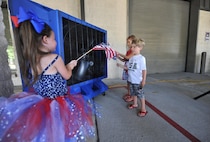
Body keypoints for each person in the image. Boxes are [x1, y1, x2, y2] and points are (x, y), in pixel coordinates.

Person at [0, 7, 95, 142]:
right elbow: (67, 75)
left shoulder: (31, 60)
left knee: (44, 132)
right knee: (61, 130)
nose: (56, 42)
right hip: (58, 102)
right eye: (54, 38)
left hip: (39, 102)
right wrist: (70, 66)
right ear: (45, 39)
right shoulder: (55, 58)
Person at [117, 38, 148, 117]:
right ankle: (135, 104)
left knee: (140, 95)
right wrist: (121, 66)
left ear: (140, 48)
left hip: (137, 81)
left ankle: (143, 109)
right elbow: (129, 68)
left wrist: (143, 80)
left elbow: (144, 70)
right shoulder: (131, 58)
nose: (132, 48)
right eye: (132, 47)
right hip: (131, 79)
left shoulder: (141, 58)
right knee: (133, 93)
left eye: (134, 47)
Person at [117, 35, 136, 102]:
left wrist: (119, 53)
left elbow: (127, 57)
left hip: (131, 70)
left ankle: (132, 96)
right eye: (127, 42)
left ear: (133, 43)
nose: (127, 43)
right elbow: (124, 59)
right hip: (127, 69)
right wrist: (117, 56)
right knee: (128, 83)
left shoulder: (133, 51)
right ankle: (129, 94)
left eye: (129, 42)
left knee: (132, 84)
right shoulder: (128, 51)